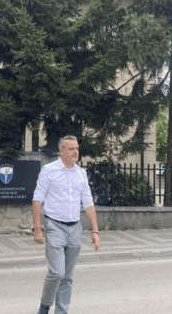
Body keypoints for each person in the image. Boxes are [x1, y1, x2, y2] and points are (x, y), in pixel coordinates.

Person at [32, 135, 100, 314]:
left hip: (75, 228)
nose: (76, 152)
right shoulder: (49, 170)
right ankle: (44, 307)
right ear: (61, 150)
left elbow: (88, 203)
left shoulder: (81, 174)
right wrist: (37, 228)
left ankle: (61, 312)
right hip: (54, 226)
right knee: (57, 272)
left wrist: (95, 231)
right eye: (71, 149)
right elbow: (37, 200)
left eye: (77, 148)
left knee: (68, 276)